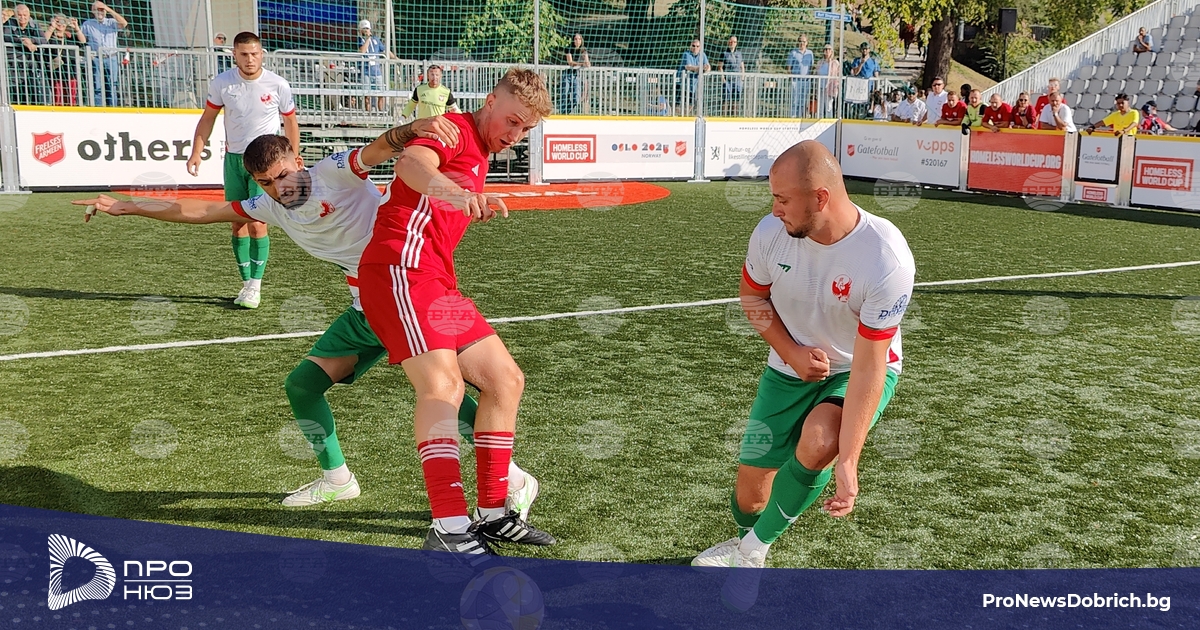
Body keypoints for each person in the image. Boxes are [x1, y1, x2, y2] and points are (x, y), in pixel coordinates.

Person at [73, 116, 544, 520]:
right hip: (369, 308)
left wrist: (410, 129)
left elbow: (380, 149)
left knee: (441, 390)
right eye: (266, 182)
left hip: (407, 289)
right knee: (306, 386)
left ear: (299, 160)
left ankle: (507, 482)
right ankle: (338, 479)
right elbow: (201, 209)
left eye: (282, 175)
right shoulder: (268, 206)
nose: (279, 188)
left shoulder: (333, 173)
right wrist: (128, 206)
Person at [692, 140, 914, 612]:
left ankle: (752, 553)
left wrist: (849, 459)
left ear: (820, 198)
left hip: (855, 367)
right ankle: (746, 542)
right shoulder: (770, 233)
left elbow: (870, 364)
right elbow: (752, 297)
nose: (774, 209)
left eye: (783, 199)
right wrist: (790, 352)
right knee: (750, 494)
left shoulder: (885, 258)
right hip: (786, 367)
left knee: (820, 440)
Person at [357, 68, 555, 558]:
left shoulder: (480, 149)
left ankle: (492, 513)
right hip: (399, 268)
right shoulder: (454, 130)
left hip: (436, 281)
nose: (515, 134)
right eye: (512, 120)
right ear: (490, 101)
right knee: (444, 386)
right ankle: (448, 525)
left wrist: (466, 196)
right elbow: (412, 166)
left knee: (506, 379)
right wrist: (459, 194)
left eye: (526, 129)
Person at [187, 31, 300, 309]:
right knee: (236, 222)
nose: (250, 59)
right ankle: (246, 281)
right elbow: (208, 119)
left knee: (257, 221)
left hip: (265, 163)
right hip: (234, 161)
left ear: (262, 54)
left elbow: (291, 123)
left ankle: (255, 286)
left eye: (255, 54)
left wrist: (293, 159)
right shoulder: (222, 83)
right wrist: (196, 152)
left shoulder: (278, 84)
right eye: (244, 54)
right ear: (234, 55)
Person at [80, 1, 128, 107]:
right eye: (97, 10)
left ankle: (113, 109)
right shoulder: (87, 24)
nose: (100, 12)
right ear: (92, 11)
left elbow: (124, 23)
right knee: (97, 86)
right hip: (96, 58)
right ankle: (98, 108)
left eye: (102, 10)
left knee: (112, 86)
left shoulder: (111, 22)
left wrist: (108, 9)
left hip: (111, 58)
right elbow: (82, 40)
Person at [3, 4, 46, 105]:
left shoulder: (34, 24)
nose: (22, 17)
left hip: (31, 63)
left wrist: (31, 40)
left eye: (25, 15)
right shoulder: (9, 23)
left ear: (29, 15)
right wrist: (22, 41)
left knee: (34, 88)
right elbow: (6, 37)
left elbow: (43, 39)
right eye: (19, 15)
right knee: (16, 90)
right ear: (15, 15)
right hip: (13, 63)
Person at [44, 12, 85, 107]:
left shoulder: (70, 38)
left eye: (63, 21)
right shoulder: (50, 37)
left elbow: (83, 41)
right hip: (55, 74)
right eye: (58, 21)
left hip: (70, 73)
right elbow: (43, 41)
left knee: (71, 97)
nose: (61, 24)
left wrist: (76, 28)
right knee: (57, 97)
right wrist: (52, 27)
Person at [357, 20, 396, 113]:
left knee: (381, 93)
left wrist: (396, 58)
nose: (366, 30)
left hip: (377, 71)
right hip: (366, 72)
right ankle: (368, 113)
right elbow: (362, 51)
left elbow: (385, 50)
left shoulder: (376, 40)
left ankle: (381, 112)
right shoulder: (360, 40)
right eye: (364, 29)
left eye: (367, 28)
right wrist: (368, 39)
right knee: (367, 95)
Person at [556, 33, 589, 115]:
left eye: (579, 39)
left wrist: (586, 61)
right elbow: (570, 62)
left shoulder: (583, 50)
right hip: (566, 74)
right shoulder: (569, 49)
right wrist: (581, 64)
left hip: (575, 75)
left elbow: (587, 63)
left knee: (576, 98)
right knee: (564, 94)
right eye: (575, 39)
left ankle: (567, 111)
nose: (577, 41)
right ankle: (563, 112)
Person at [678, 38, 710, 115]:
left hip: (694, 85)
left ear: (700, 47)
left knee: (691, 104)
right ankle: (678, 118)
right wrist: (701, 68)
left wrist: (706, 68)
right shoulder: (686, 54)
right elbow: (689, 67)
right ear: (690, 46)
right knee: (678, 105)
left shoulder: (702, 54)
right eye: (693, 46)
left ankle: (684, 117)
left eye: (697, 46)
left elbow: (708, 67)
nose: (695, 48)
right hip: (682, 84)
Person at [786, 35, 813, 118]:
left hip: (806, 81)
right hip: (796, 81)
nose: (802, 43)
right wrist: (791, 79)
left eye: (804, 41)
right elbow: (788, 68)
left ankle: (801, 118)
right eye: (800, 41)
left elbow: (811, 67)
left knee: (803, 101)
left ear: (807, 43)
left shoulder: (810, 53)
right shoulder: (793, 53)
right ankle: (793, 118)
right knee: (795, 101)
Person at [719, 35, 744, 117]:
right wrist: (723, 79)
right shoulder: (724, 53)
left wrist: (742, 78)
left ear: (736, 43)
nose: (732, 43)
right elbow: (720, 66)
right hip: (728, 80)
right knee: (726, 99)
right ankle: (724, 117)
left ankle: (734, 117)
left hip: (737, 80)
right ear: (728, 42)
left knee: (736, 99)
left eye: (734, 42)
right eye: (731, 41)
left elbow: (742, 66)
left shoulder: (739, 53)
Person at [816, 44, 840, 118]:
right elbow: (817, 73)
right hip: (821, 87)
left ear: (832, 51)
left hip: (830, 87)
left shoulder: (835, 63)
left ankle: (829, 122)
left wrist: (836, 87)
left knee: (828, 107)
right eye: (826, 49)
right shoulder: (820, 62)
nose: (827, 51)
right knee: (820, 107)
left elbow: (838, 75)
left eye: (829, 49)